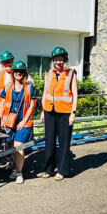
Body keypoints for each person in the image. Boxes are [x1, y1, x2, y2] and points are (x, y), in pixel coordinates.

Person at [40, 47, 78, 181]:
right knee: (49, 141)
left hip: (65, 113)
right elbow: (45, 93)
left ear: (65, 60)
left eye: (60, 60)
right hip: (50, 111)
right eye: (56, 60)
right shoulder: (49, 73)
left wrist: (73, 113)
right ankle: (49, 169)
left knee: (64, 143)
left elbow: (75, 95)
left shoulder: (71, 73)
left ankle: (62, 170)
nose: (58, 62)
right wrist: (43, 111)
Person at [0, 60, 37, 184]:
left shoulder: (29, 87)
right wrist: (3, 119)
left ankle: (20, 173)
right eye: (16, 71)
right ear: (13, 72)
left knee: (18, 145)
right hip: (11, 122)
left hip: (24, 122)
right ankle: (15, 169)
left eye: (21, 71)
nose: (18, 73)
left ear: (24, 73)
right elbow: (4, 103)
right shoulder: (8, 86)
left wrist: (24, 120)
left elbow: (32, 106)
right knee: (12, 146)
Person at [0, 50, 14, 123]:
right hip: (2, 110)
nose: (7, 64)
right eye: (4, 62)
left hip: (15, 109)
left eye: (9, 61)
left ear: (13, 61)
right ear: (1, 64)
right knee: (3, 132)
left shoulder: (18, 74)